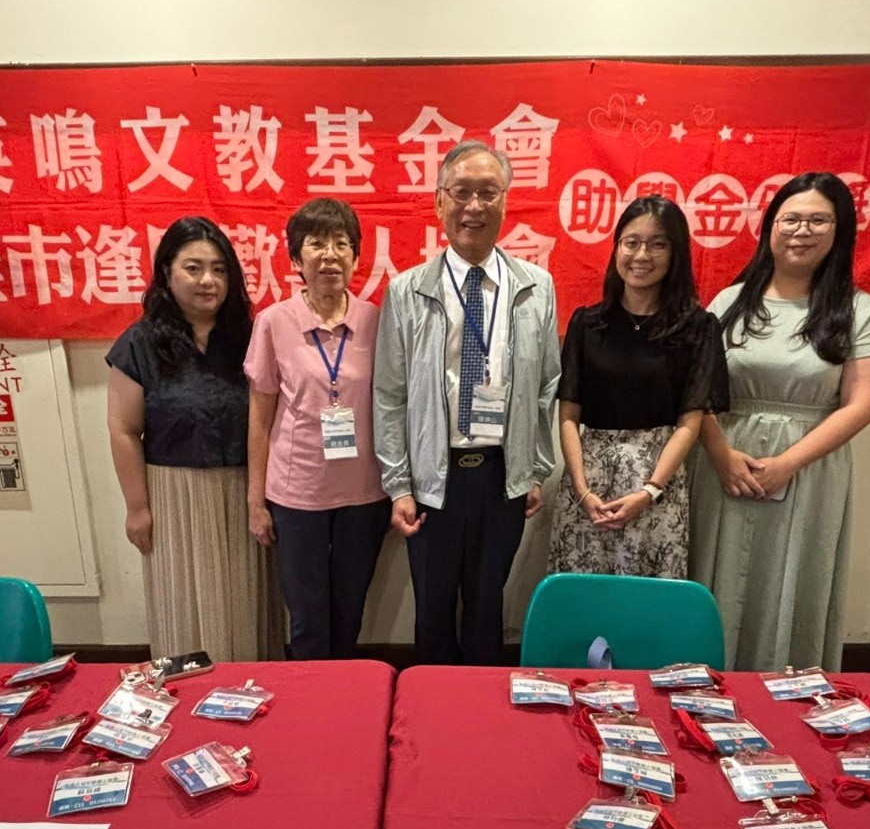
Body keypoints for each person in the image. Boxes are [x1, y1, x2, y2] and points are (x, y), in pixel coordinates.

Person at [688, 171, 870, 671]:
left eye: (818, 220)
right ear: (769, 228)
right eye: (791, 219)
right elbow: (693, 390)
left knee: (789, 578)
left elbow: (863, 404)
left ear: (840, 231)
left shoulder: (858, 310)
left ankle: (784, 691)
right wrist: (720, 453)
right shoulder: (729, 302)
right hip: (722, 462)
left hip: (808, 471)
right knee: (713, 576)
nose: (802, 230)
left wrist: (787, 463)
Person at [373, 140, 560, 665]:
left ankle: (481, 707)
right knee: (432, 610)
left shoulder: (536, 287)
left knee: (486, 607)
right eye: (461, 192)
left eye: (488, 193)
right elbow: (389, 394)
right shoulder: (407, 290)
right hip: (434, 478)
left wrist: (533, 470)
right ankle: (429, 708)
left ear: (505, 201)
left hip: (501, 476)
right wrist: (398, 485)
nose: (474, 206)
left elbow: (546, 385)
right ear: (439, 202)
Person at [105, 215, 281, 662]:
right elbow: (123, 429)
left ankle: (251, 690)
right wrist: (137, 508)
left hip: (245, 491)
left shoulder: (250, 336)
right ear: (166, 272)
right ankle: (186, 695)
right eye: (194, 267)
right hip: (173, 498)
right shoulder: (140, 343)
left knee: (245, 608)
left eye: (220, 269)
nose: (208, 280)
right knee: (183, 605)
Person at [549, 196, 728, 577]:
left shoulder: (697, 328)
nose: (641, 255)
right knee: (582, 592)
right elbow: (568, 415)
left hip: (657, 483)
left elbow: (690, 422)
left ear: (675, 253)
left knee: (649, 596)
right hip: (588, 483)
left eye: (657, 244)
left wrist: (650, 491)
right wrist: (581, 489)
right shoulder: (587, 323)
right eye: (631, 242)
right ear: (617, 248)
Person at [244, 199, 389, 659]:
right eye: (316, 244)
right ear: (295, 259)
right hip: (297, 495)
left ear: (356, 257)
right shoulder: (273, 322)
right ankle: (310, 697)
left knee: (349, 613)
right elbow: (260, 417)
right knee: (307, 618)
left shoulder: (375, 320)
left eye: (341, 244)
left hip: (364, 493)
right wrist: (256, 502)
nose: (330, 255)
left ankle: (346, 695)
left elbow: (394, 406)